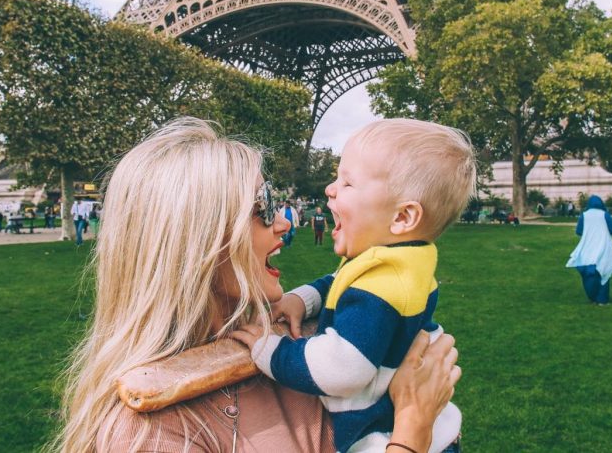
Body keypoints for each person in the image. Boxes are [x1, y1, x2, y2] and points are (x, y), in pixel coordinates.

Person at [51, 118, 461, 453]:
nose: (283, 222)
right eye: (263, 205)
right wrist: (412, 430)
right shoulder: (149, 437)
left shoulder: (305, 343)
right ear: (198, 239)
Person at [234, 118, 475, 453]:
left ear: (402, 218)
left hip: (385, 437)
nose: (330, 189)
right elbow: (340, 282)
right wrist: (303, 300)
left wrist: (269, 350)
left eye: (347, 183)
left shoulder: (382, 287)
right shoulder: (396, 266)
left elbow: (342, 368)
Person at [566, 195, 612, 305]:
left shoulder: (584, 215)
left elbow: (579, 231)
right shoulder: (604, 215)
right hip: (604, 246)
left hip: (588, 246)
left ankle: (593, 296)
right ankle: (602, 299)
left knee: (589, 273)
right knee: (604, 271)